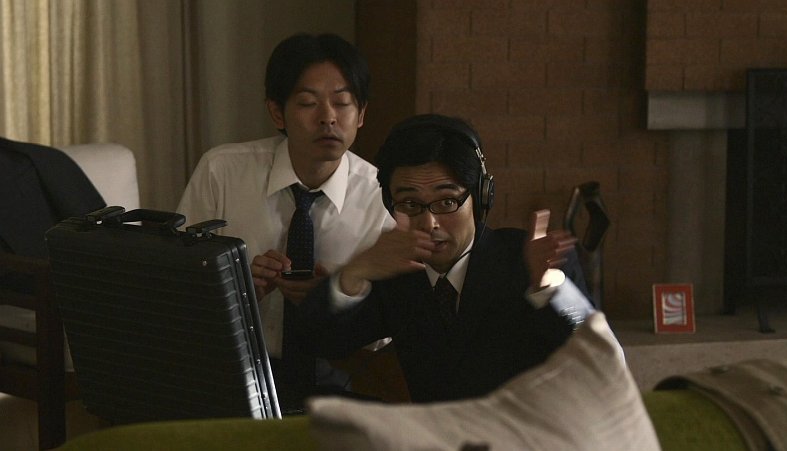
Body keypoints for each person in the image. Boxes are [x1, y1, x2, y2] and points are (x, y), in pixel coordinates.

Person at [295, 114, 596, 403]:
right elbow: (323, 340)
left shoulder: (530, 260)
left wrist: (549, 290)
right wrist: (354, 273)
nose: (429, 222)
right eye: (410, 203)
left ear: (480, 198)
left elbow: (594, 355)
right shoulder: (397, 274)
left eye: (448, 201)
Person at [176, 33, 394, 410]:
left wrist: (340, 296)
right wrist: (238, 290)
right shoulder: (222, 172)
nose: (328, 117)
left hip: (339, 376)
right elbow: (177, 288)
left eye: (342, 103)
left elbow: (387, 334)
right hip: (229, 369)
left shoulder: (381, 195)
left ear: (361, 115)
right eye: (308, 103)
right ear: (277, 113)